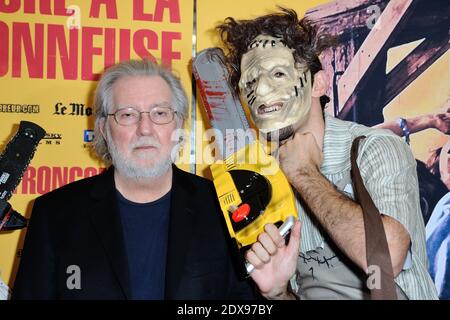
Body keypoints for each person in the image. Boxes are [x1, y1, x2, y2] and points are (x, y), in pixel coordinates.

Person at [217, 7, 438, 300]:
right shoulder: (265, 181)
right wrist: (278, 292)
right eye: (251, 82)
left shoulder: (375, 148)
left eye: (278, 73)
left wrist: (304, 173)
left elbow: (387, 259)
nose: (263, 90)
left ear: (318, 84)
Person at [12, 59, 255, 300]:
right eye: (127, 115)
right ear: (104, 129)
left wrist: (275, 292)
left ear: (179, 124)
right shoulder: (54, 215)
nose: (145, 129)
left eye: (160, 113)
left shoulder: (221, 208)